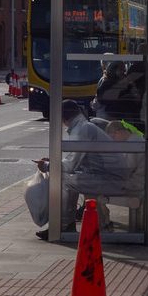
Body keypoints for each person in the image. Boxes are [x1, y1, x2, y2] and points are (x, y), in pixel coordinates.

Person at [33, 99, 111, 239]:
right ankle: (66, 224)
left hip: (108, 177)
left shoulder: (81, 130)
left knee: (64, 181)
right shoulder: (83, 126)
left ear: (63, 118)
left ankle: (62, 227)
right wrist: (53, 163)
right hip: (109, 173)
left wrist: (48, 166)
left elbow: (70, 165)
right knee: (67, 177)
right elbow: (76, 161)